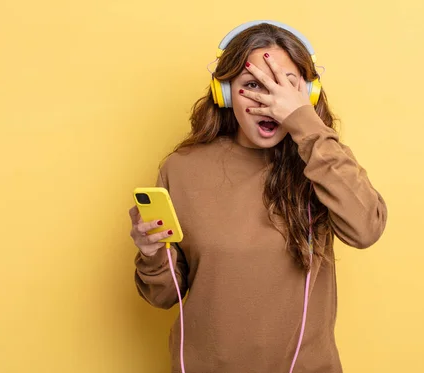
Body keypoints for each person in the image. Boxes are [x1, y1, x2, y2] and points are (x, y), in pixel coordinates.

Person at [128, 20, 388, 373]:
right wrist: (152, 253)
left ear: (307, 95)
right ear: (226, 93)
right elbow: (162, 296)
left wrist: (304, 125)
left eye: (284, 87)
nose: (269, 101)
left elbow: (366, 228)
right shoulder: (182, 169)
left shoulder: (323, 159)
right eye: (253, 85)